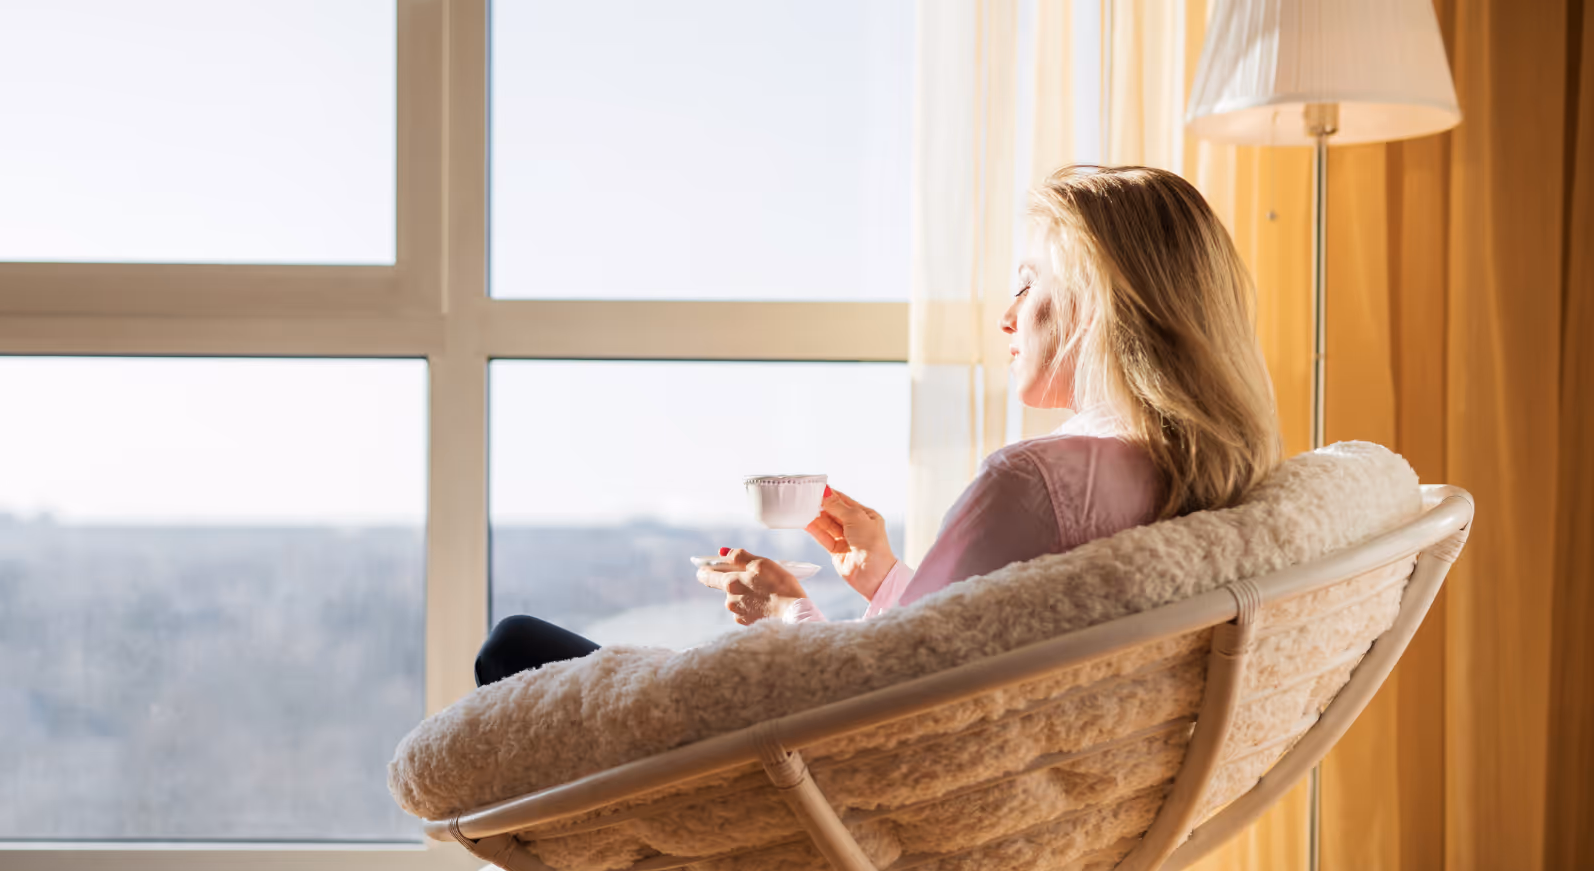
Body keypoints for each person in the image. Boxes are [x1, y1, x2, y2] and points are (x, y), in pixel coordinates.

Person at [475, 164, 1282, 687]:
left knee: (512, 647)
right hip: (984, 803)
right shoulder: (1189, 483)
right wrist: (883, 579)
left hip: (825, 802)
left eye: (1029, 284)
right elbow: (943, 656)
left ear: (1098, 302)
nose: (1005, 318)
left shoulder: (1036, 483)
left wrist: (784, 612)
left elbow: (873, 702)